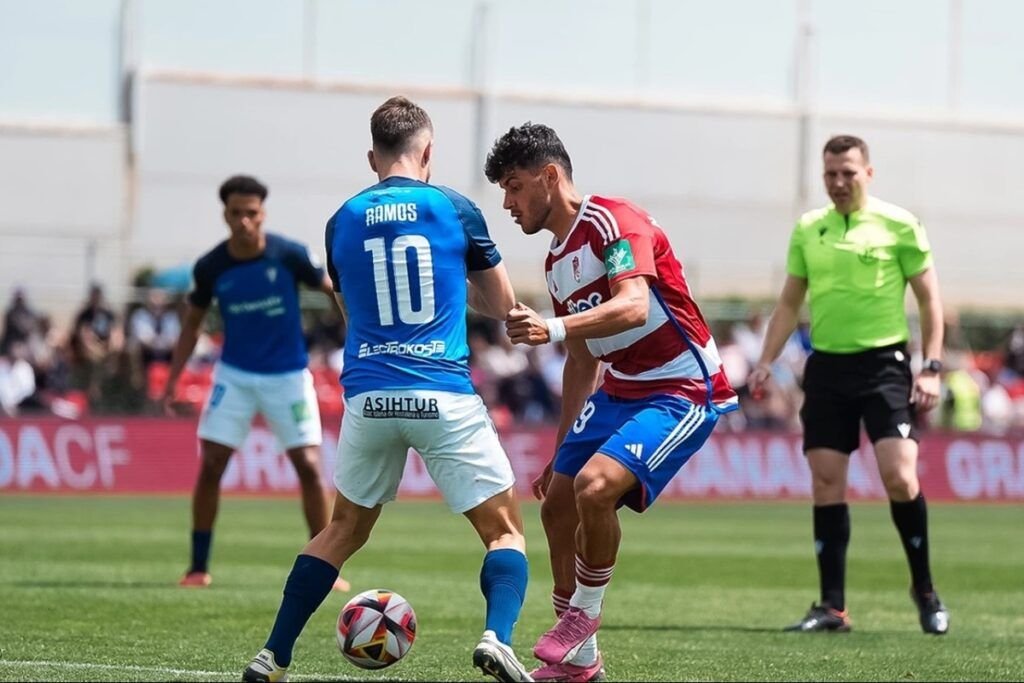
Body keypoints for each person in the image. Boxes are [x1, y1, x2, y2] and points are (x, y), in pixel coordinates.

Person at [242, 97, 532, 683]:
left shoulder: (341, 220)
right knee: (504, 531)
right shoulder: (454, 207)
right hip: (441, 391)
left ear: (372, 157)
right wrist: (458, 288)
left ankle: (272, 656)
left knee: (342, 530)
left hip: (370, 395)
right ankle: (496, 638)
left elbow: (350, 312)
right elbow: (503, 305)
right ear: (428, 152)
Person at [485, 123, 738, 680]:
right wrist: (559, 451)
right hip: (620, 387)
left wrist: (551, 327)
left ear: (550, 177)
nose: (507, 203)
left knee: (596, 488)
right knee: (557, 504)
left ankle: (583, 614)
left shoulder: (614, 221)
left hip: (681, 387)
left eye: (514, 186)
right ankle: (581, 663)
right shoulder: (556, 261)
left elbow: (632, 304)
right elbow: (581, 360)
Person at [749, 134, 950, 635]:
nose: (838, 182)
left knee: (899, 475)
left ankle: (925, 589)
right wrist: (765, 361)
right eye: (831, 174)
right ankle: (832, 607)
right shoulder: (808, 229)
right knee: (826, 481)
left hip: (885, 366)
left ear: (868, 174)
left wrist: (931, 366)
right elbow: (789, 304)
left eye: (848, 173)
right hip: (827, 369)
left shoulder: (899, 225)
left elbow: (930, 301)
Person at [162, 174, 348, 593]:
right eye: (236, 213)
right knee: (212, 464)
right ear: (225, 216)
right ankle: (197, 567)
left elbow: (333, 291)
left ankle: (326, 568)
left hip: (288, 375)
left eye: (252, 213)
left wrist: (358, 330)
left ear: (263, 213)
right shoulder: (211, 266)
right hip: (235, 376)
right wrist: (173, 379)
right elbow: (192, 324)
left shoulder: (289, 254)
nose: (244, 221)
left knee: (309, 466)